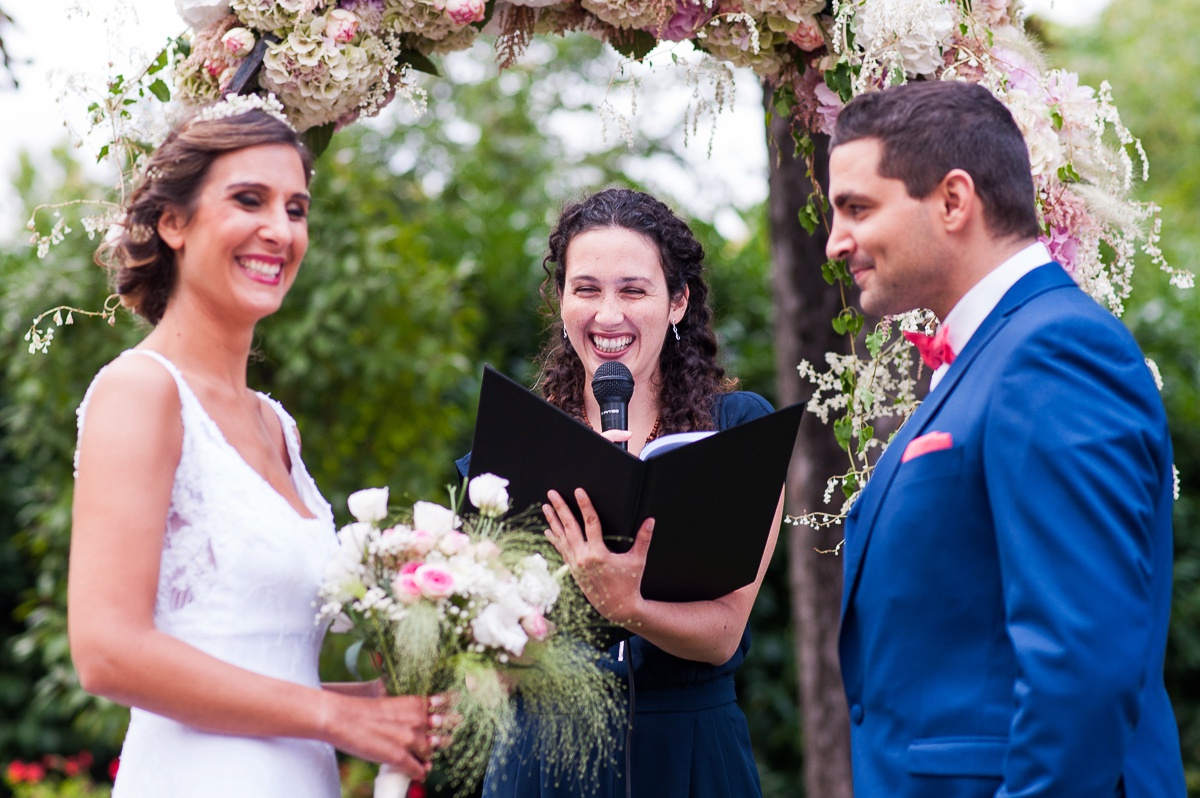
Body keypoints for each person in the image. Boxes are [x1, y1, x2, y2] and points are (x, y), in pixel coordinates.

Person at [68, 99, 443, 797]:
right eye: (249, 200)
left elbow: (267, 666)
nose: (279, 230)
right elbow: (106, 651)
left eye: (296, 209)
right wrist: (334, 717)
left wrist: (386, 708)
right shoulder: (141, 391)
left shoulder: (277, 425)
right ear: (172, 222)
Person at [828, 80, 1184, 797]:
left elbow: (1080, 665)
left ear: (954, 201)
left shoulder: (1056, 350)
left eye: (858, 209)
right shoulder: (993, 352)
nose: (837, 242)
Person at [472, 187, 781, 797]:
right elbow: (493, 668)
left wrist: (627, 605)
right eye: (586, 289)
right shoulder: (521, 443)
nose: (607, 314)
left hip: (687, 752)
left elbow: (723, 635)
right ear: (561, 300)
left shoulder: (738, 428)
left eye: (633, 290)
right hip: (545, 754)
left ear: (677, 302)